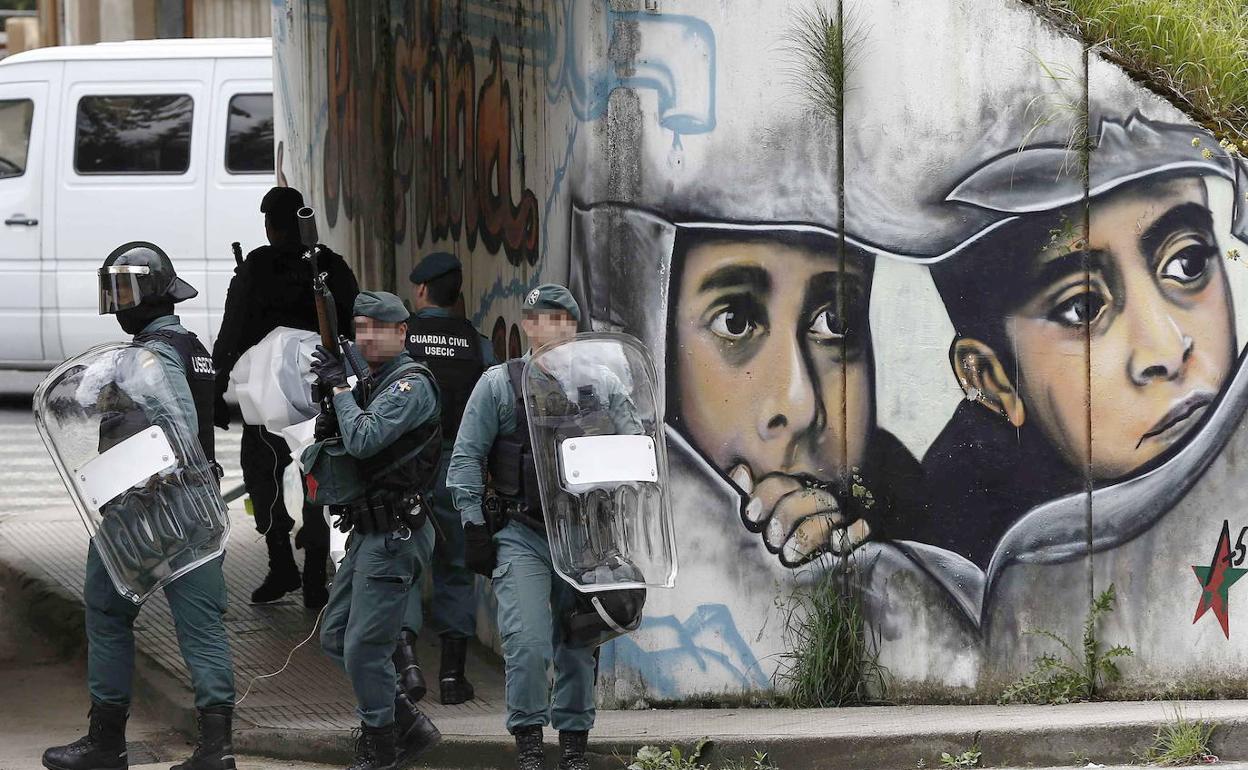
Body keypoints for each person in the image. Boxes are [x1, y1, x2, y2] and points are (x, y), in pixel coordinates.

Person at [915, 118, 1240, 567]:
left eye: (1187, 263)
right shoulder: (969, 557)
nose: (1167, 352)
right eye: (1083, 308)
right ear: (992, 381)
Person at [43, 242, 237, 770]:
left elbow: (164, 425)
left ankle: (107, 743)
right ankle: (216, 751)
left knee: (108, 611)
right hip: (195, 506)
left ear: (154, 294)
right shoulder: (193, 348)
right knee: (201, 627)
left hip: (146, 508)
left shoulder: (145, 358)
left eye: (127, 291)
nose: (120, 303)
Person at [449, 284, 604, 770]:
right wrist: (474, 526)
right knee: (529, 643)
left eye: (566, 321)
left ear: (576, 330)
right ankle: (531, 744)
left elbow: (636, 451)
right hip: (522, 532)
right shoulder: (499, 384)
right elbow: (466, 459)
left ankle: (575, 745)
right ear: (529, 325)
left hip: (581, 535)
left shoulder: (600, 386)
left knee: (580, 641)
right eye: (546, 319)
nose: (556, 329)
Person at [312, 291, 443, 770]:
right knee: (337, 634)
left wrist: (343, 393)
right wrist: (332, 403)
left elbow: (366, 439)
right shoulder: (375, 380)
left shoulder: (410, 385)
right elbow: (346, 439)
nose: (366, 337)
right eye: (360, 327)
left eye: (378, 328)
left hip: (395, 533)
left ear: (402, 332)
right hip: (369, 529)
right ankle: (406, 720)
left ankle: (382, 746)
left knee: (365, 648)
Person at [212, 185, 359, 608]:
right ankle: (312, 572)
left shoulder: (259, 265)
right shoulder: (329, 265)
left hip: (266, 393)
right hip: (321, 388)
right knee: (318, 472)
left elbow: (233, 327)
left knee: (263, 474)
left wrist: (219, 385)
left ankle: (284, 564)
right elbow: (351, 323)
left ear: (271, 227)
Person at [393, 251, 495, 707]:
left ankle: (408, 668)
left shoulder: (402, 338)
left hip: (411, 469)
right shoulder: (478, 344)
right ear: (458, 296)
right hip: (458, 469)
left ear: (420, 291)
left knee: (404, 566)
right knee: (455, 568)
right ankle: (453, 678)